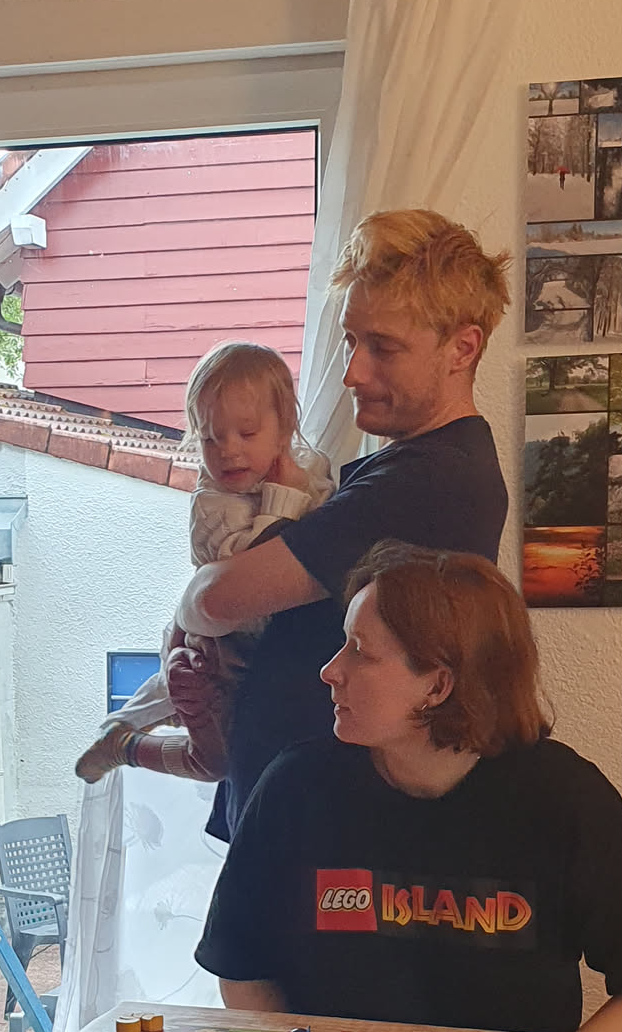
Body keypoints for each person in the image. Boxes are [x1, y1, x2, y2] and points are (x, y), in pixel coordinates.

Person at [195, 544, 622, 1032]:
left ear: (438, 686)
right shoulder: (294, 787)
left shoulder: (564, 797)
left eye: (361, 652)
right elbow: (241, 967)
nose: (330, 670)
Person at [169, 209, 513, 839]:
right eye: (352, 341)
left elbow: (216, 600)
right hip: (303, 813)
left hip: (329, 828)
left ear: (462, 348)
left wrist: (190, 599)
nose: (354, 371)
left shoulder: (427, 481)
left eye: (384, 347)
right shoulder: (405, 468)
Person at [73, 341, 332, 784]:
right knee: (214, 762)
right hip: (219, 649)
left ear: (286, 426)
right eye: (211, 437)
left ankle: (123, 731)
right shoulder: (213, 502)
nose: (228, 450)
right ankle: (122, 743)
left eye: (246, 433)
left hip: (266, 649)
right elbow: (247, 578)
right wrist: (283, 498)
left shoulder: (313, 468)